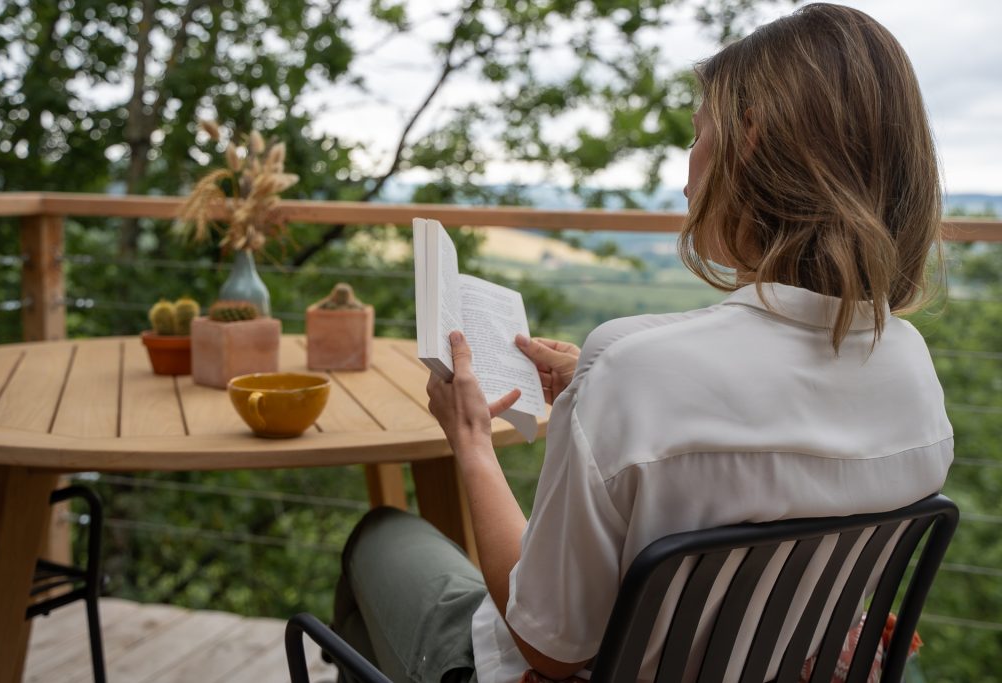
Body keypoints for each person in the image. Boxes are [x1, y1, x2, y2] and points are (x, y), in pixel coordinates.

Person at [330, 3, 953, 682]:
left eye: (697, 136)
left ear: (749, 145)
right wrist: (596, 390)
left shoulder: (636, 374)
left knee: (381, 537)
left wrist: (473, 444)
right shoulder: (913, 371)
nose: (688, 174)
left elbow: (549, 645)